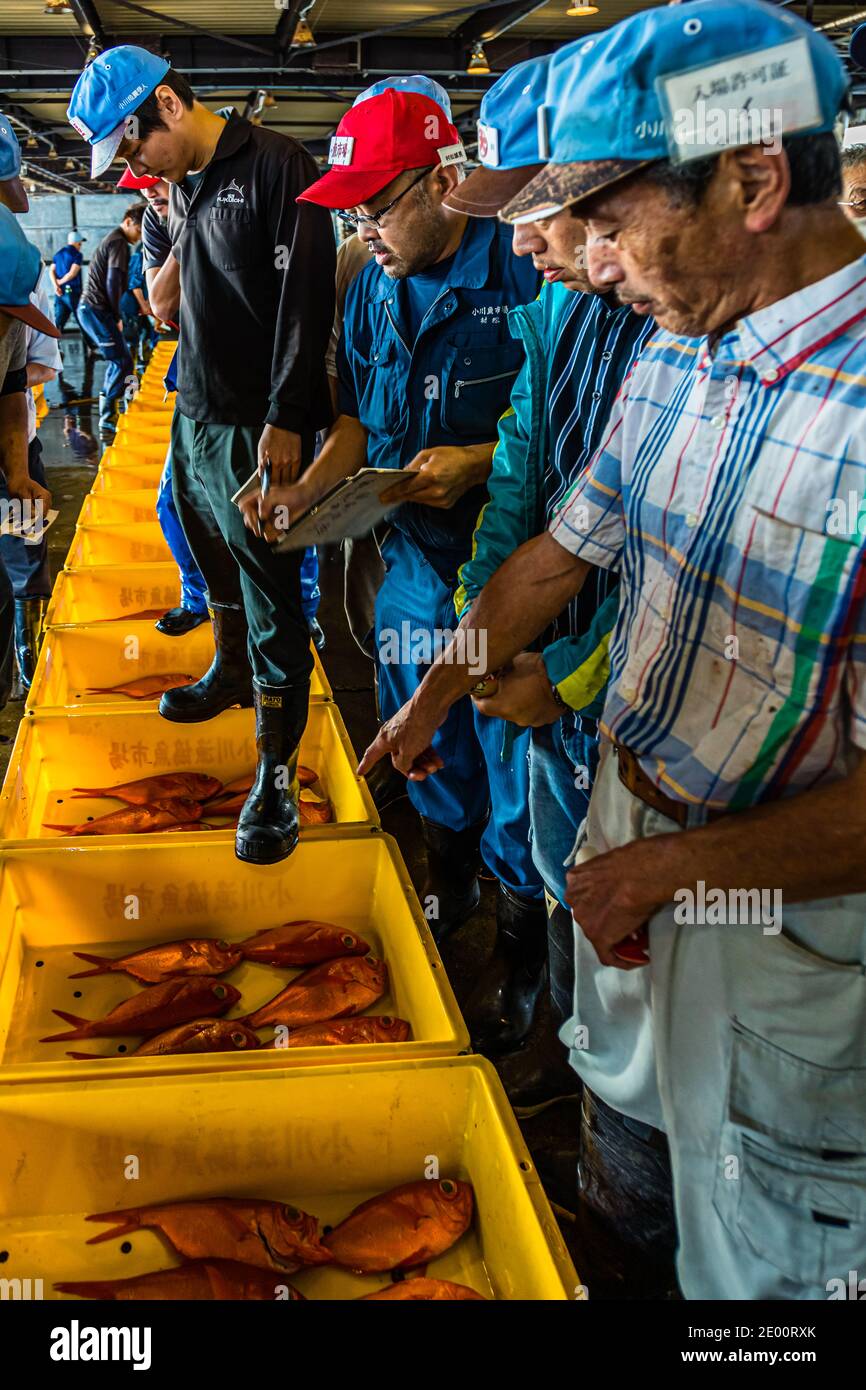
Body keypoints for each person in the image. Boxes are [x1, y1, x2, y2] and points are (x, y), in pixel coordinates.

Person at [360, 0, 866, 1300]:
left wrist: (678, 868)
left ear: (754, 178)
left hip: (784, 932)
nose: (578, 253)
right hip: (626, 871)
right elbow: (553, 557)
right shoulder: (673, 357)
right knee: (625, 1205)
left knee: (766, 1271)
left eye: (606, 215)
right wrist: (435, 691)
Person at [251, 88, 547, 1006]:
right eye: (352, 209)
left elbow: (576, 432)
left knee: (511, 760)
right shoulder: (367, 279)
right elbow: (353, 421)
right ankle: (452, 882)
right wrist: (309, 491)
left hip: (515, 561)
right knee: (427, 746)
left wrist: (479, 461)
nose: (363, 228)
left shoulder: (531, 265)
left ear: (447, 183)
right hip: (414, 558)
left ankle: (521, 957)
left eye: (377, 206)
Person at [445, 56, 656, 1103]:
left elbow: (665, 565)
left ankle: (606, 1114)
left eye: (546, 211)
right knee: (551, 861)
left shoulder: (675, 333)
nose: (521, 243)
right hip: (552, 674)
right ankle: (560, 1042)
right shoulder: (557, 310)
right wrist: (483, 616)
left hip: (616, 699)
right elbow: (529, 467)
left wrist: (565, 672)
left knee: (635, 940)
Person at [67, 46, 335, 865]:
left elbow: (306, 297)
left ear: (171, 106)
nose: (137, 165)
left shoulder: (279, 166)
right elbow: (174, 306)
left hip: (259, 422)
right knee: (204, 542)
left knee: (271, 589)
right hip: (199, 407)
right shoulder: (183, 186)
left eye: (136, 144)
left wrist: (289, 417)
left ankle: (276, 772)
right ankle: (226, 669)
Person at [0, 206, 57, 711]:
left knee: (21, 566)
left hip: (7, 464)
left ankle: (18, 680)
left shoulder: (12, 322)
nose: (7, 329)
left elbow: (13, 391)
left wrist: (17, 473)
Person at [76, 200, 144, 439]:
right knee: (120, 359)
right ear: (128, 222)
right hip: (95, 310)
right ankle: (107, 419)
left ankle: (124, 403)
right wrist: (117, 316)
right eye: (139, 229)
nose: (140, 235)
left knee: (123, 359)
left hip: (95, 310)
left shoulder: (115, 240)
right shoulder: (119, 243)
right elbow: (113, 282)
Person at [49, 231, 86, 333]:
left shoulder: (58, 254)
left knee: (59, 322)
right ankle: (92, 346)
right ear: (77, 242)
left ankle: (53, 344)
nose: (80, 246)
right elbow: (72, 273)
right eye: (80, 243)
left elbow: (51, 270)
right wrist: (59, 283)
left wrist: (56, 285)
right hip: (72, 291)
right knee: (82, 318)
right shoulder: (77, 255)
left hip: (59, 292)